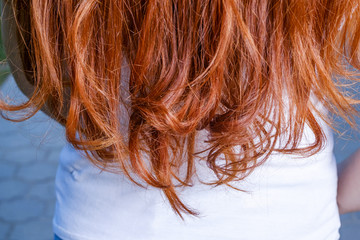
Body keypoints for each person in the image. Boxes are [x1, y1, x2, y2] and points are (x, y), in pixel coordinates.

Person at [1, 0, 360, 239]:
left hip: (107, 222)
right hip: (290, 220)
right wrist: (337, 196)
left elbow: (36, 74)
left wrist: (115, 126)